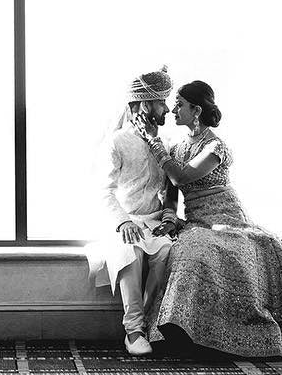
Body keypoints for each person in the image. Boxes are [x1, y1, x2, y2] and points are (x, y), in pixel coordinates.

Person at [132, 80, 282, 359]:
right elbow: (172, 195)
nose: (173, 109)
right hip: (197, 221)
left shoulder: (216, 147)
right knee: (189, 252)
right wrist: (171, 219)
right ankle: (181, 332)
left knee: (237, 251)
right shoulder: (174, 150)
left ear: (196, 110)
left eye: (180, 104)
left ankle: (244, 336)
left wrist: (153, 140)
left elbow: (182, 176)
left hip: (228, 218)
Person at [86, 67, 179, 357]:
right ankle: (134, 331)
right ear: (144, 105)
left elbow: (171, 189)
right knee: (133, 250)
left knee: (165, 253)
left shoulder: (163, 143)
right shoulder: (117, 142)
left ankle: (150, 323)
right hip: (124, 222)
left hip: (154, 222)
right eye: (161, 102)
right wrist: (123, 221)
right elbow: (103, 190)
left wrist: (169, 216)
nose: (167, 109)